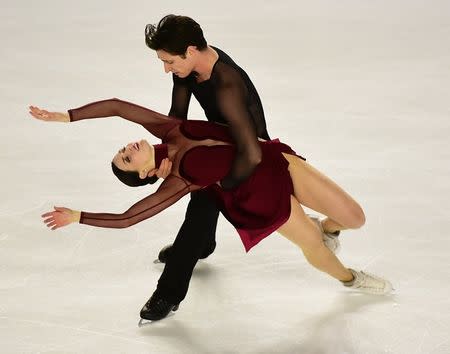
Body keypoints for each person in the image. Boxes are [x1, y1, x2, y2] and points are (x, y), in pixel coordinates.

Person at [29, 98, 393, 319]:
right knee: (310, 244)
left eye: (122, 150)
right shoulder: (178, 182)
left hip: (275, 163)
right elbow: (129, 218)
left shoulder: (169, 130)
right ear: (143, 173)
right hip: (260, 198)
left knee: (354, 217)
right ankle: (350, 278)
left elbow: (118, 107)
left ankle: (329, 230)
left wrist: (67, 117)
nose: (127, 147)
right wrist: (79, 217)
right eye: (126, 158)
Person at [141, 14, 275, 320]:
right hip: (218, 138)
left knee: (201, 205)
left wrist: (220, 184)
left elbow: (252, 150)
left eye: (169, 62)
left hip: (248, 150)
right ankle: (203, 244)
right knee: (197, 188)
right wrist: (163, 156)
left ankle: (168, 293)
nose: (166, 69)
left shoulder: (226, 81)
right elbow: (177, 118)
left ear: (189, 51)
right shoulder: (187, 68)